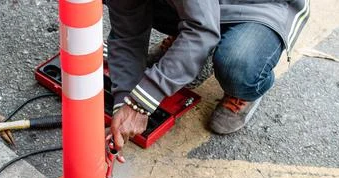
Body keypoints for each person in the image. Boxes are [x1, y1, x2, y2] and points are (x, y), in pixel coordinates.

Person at [106, 0, 310, 156]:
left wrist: (140, 103)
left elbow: (201, 30)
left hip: (258, 7)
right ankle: (188, 40)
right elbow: (127, 35)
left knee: (237, 63)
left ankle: (247, 87)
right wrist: (124, 99)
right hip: (203, 6)